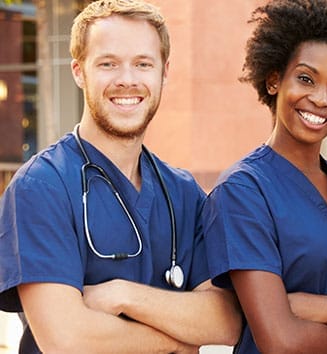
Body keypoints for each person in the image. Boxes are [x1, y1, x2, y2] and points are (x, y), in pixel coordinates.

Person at [0, 0, 242, 352]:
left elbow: (226, 321)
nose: (127, 80)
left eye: (143, 64)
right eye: (108, 64)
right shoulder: (42, 186)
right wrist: (176, 341)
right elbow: (65, 340)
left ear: (164, 72)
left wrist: (122, 295)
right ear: (79, 71)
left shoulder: (184, 193)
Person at [201, 0, 327, 352]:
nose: (321, 99)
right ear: (275, 80)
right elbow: (280, 342)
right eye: (305, 79)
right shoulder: (243, 191)